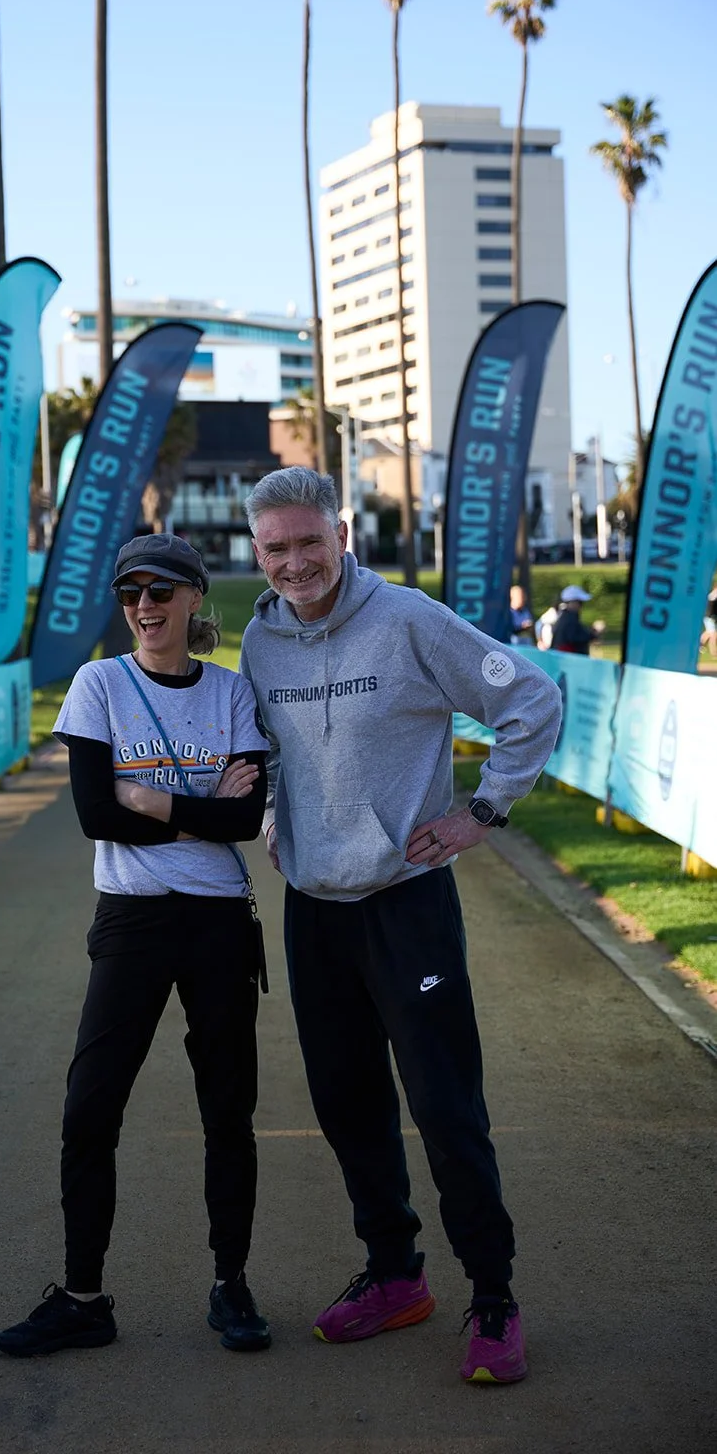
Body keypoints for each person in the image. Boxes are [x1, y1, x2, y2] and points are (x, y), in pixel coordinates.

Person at [238, 468, 561, 1386]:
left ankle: (492, 1296)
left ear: (341, 534)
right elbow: (266, 755)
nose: (295, 563)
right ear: (256, 554)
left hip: (407, 904)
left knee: (444, 1107)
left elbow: (528, 699)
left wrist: (480, 814)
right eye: (276, 549)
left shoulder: (409, 619)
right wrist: (271, 821)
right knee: (347, 1108)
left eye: (309, 541)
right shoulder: (260, 641)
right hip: (315, 912)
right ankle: (394, 1275)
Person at [0, 533, 272, 1359]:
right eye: (129, 595)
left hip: (219, 918)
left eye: (160, 591)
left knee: (227, 1110)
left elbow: (244, 823)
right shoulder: (99, 684)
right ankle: (83, 1296)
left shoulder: (229, 693)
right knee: (90, 1109)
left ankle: (231, 1285)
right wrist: (192, 803)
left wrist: (145, 796)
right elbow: (93, 814)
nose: (144, 607)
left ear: (193, 598)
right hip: (132, 919)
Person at [550, 585, 605, 655]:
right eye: (580, 603)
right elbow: (575, 637)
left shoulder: (566, 617)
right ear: (572, 603)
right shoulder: (569, 619)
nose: (581, 606)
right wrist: (594, 633)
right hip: (568, 662)